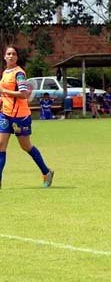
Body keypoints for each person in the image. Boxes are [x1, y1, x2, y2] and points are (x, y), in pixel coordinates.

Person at [0, 46, 54, 188]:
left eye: (14, 54)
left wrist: (4, 91)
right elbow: (5, 95)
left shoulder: (19, 74)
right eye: (8, 53)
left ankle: (46, 171)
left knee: (25, 146)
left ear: (17, 57)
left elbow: (24, 94)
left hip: (20, 116)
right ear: (4, 57)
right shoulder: (5, 72)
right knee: (1, 145)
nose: (11, 56)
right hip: (5, 114)